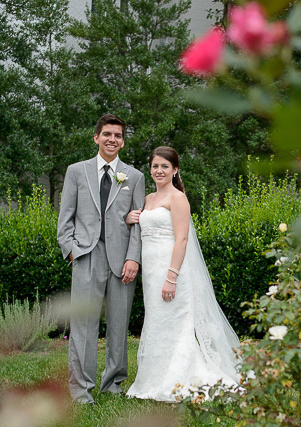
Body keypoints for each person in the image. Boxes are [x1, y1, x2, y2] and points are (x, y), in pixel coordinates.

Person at [125, 146, 241, 401]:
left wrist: (171, 277)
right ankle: (152, 378)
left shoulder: (178, 198)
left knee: (176, 325)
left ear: (175, 170)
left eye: (165, 166)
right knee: (157, 323)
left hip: (171, 272)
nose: (159, 171)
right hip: (151, 273)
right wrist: (130, 218)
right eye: (155, 166)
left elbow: (182, 239)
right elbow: (143, 228)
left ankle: (178, 378)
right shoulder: (147, 199)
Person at [57, 114, 145, 404]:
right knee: (84, 323)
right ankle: (81, 389)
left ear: (123, 141)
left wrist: (133, 258)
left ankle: (113, 383)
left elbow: (139, 223)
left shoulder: (134, 177)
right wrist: (71, 249)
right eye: (107, 134)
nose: (112, 139)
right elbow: (65, 218)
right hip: (86, 255)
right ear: (96, 137)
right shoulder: (77, 171)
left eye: (118, 135)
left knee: (119, 324)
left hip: (122, 261)